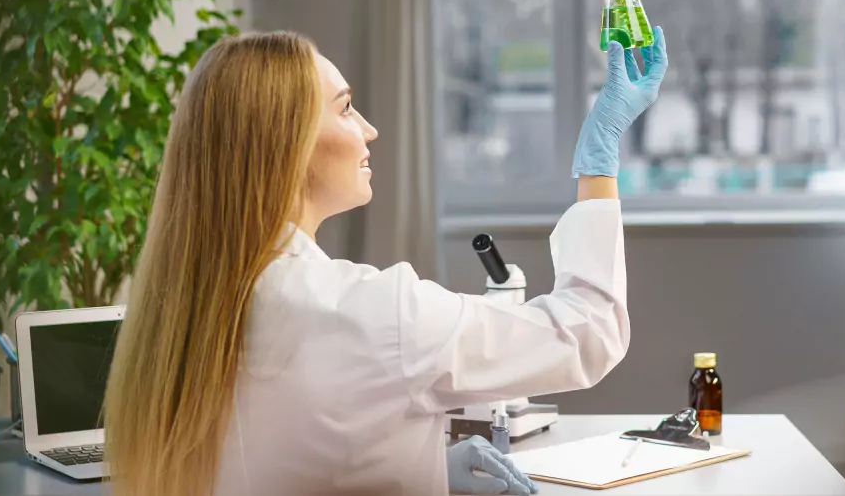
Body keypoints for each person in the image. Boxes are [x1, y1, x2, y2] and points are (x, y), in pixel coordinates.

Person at [104, 28, 668, 496]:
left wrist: (420, 473)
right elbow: (587, 330)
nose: (369, 129)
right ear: (288, 143)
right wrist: (600, 160)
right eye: (346, 109)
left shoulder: (179, 317)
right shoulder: (373, 314)